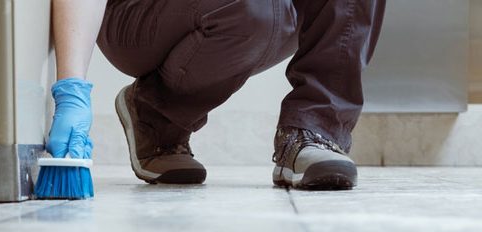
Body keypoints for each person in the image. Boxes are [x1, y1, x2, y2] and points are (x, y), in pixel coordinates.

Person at [48, 0, 386, 190]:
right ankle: (159, 117)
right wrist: (71, 88)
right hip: (138, 14)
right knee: (255, 8)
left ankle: (314, 131)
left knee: (263, 9)